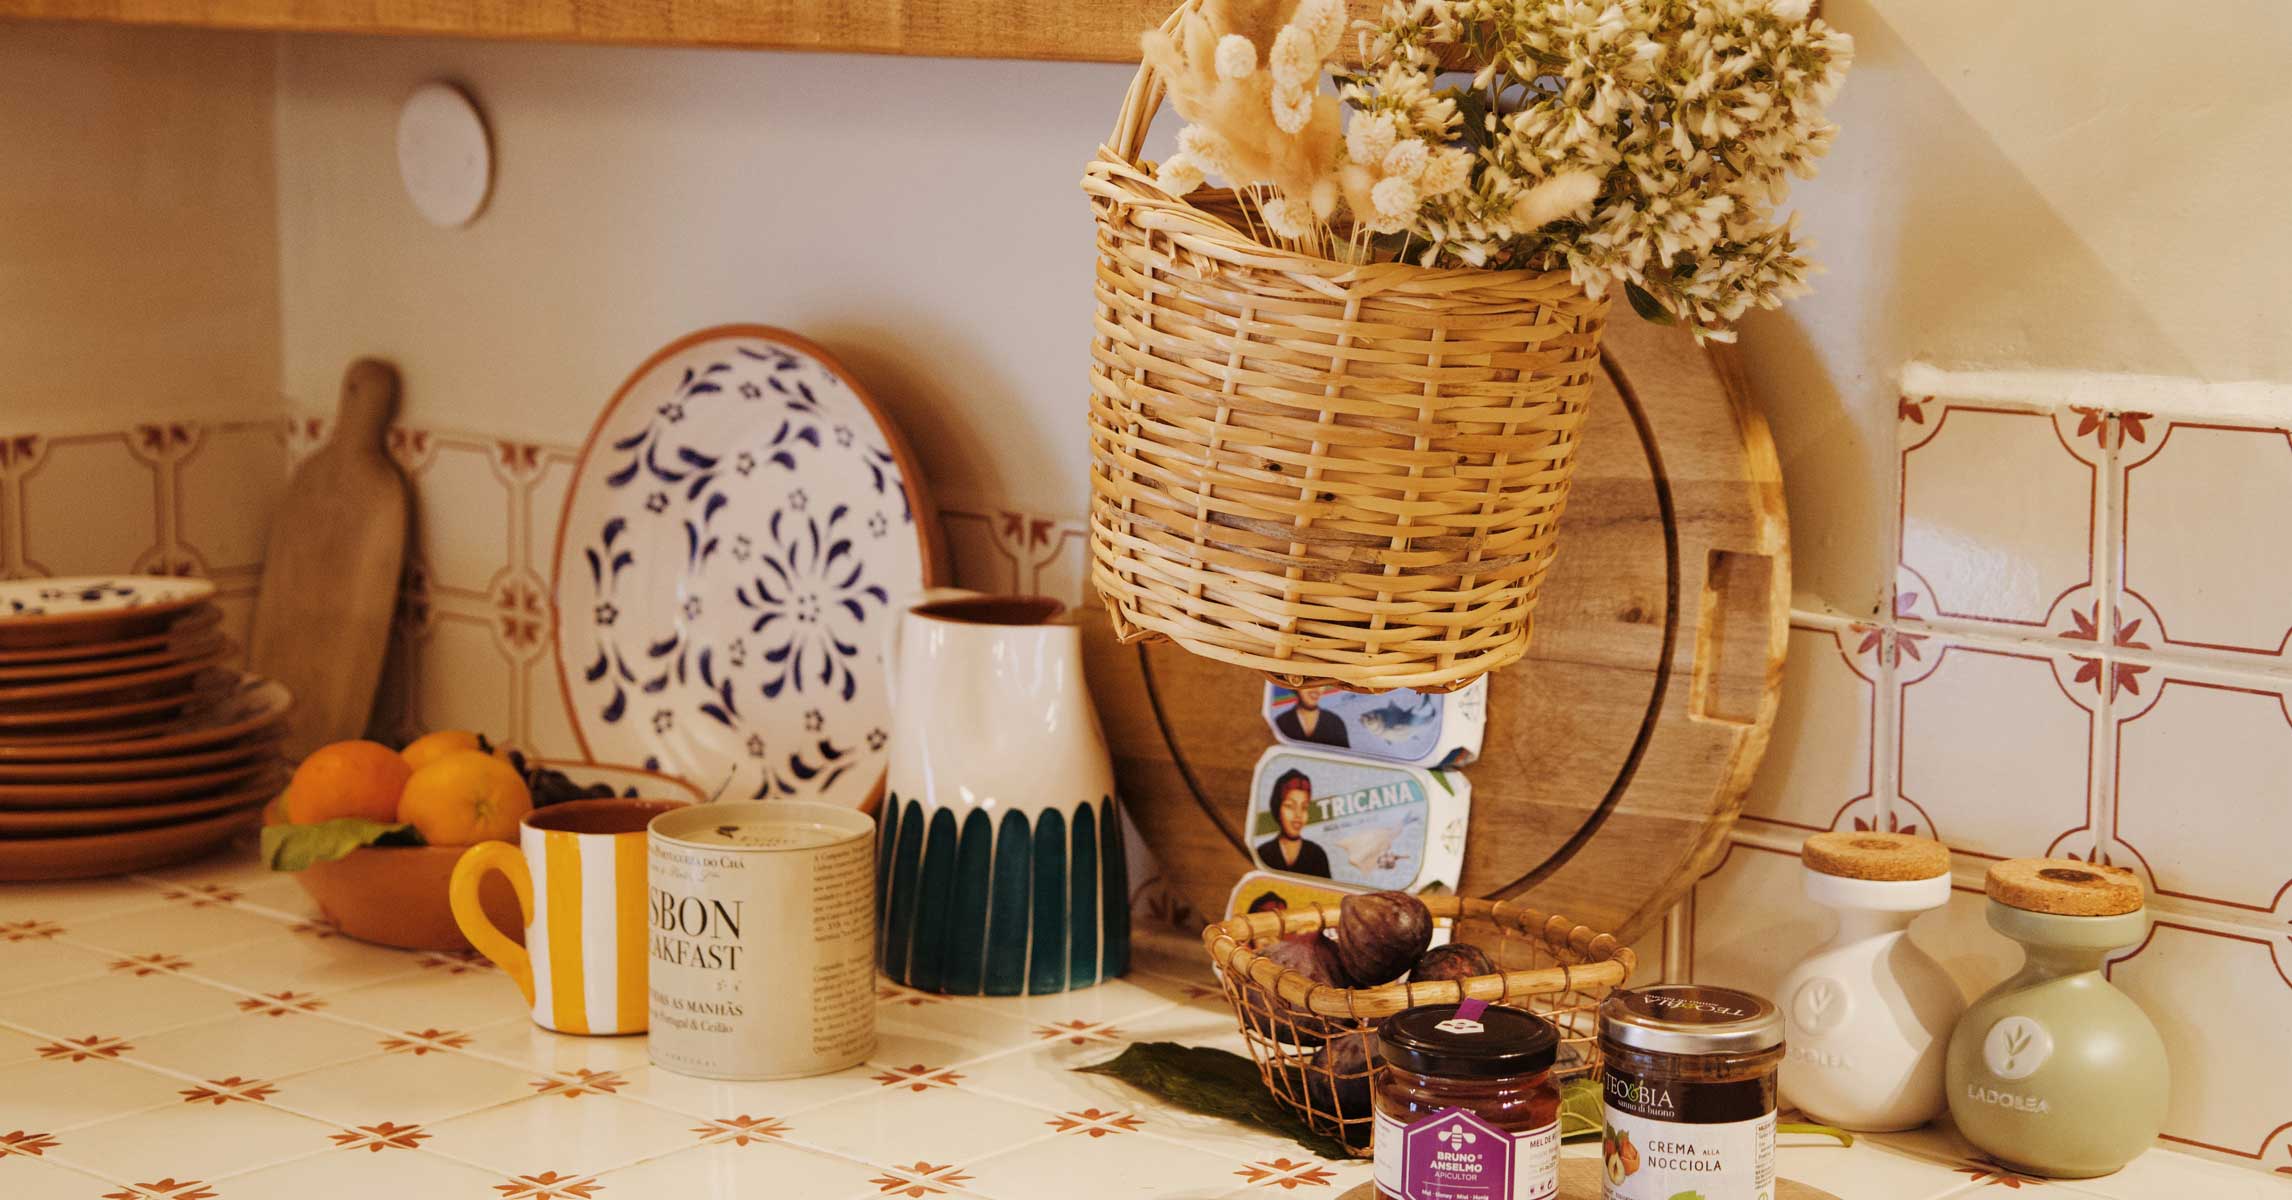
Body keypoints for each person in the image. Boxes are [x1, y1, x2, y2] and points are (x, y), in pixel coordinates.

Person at [1255, 768, 1332, 878]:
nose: (1298, 815)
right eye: (1290, 806)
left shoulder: (1317, 855)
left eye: (1304, 807)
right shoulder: (1263, 854)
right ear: (1277, 808)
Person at [1273, 685, 1351, 748]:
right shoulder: (1281, 722)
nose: (1316, 689)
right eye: (1309, 682)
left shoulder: (1335, 723)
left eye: (1321, 683)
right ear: (1296, 687)